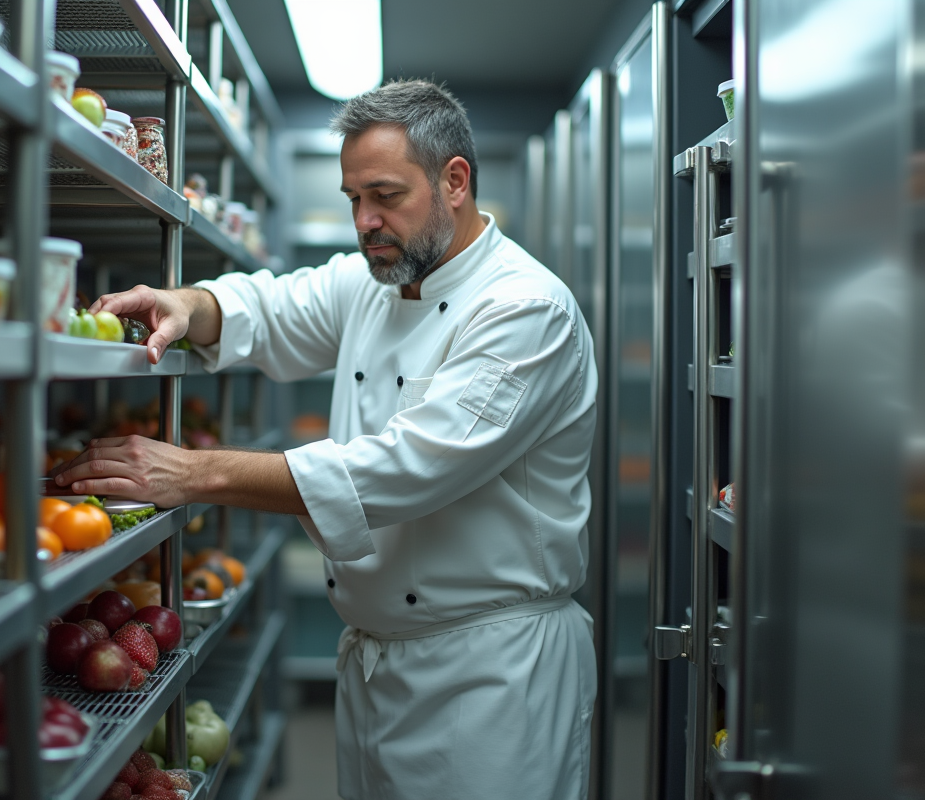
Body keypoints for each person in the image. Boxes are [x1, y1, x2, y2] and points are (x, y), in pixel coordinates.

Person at [54, 79, 598, 800]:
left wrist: (196, 474)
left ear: (455, 181)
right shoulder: (375, 280)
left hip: (490, 677)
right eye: (352, 200)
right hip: (376, 669)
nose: (365, 220)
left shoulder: (525, 310)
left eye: (386, 195)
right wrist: (186, 303)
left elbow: (405, 469)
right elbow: (271, 306)